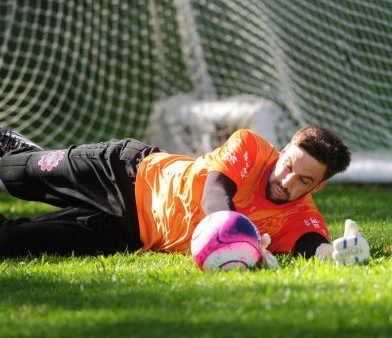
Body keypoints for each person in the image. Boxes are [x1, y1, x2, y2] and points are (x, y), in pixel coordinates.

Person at [0, 126, 370, 265]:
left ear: (318, 187)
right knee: (14, 172)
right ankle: (25, 155)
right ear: (283, 148)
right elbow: (216, 194)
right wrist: (243, 239)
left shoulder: (300, 217)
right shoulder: (252, 147)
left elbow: (312, 243)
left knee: (13, 242)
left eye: (303, 180)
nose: (287, 180)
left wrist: (336, 254)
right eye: (288, 164)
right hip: (124, 172)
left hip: (131, 234)